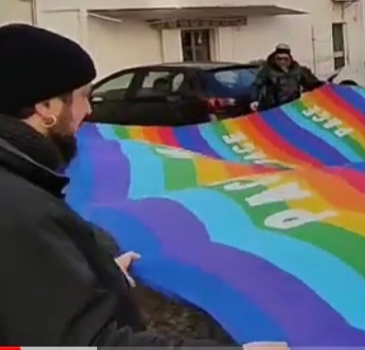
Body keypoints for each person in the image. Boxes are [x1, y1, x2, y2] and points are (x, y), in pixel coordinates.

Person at [0, 24, 285, 347]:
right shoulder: (20, 210)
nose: (89, 110)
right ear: (45, 107)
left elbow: (33, 293)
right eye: (83, 97)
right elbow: (85, 342)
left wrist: (100, 273)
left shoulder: (21, 183)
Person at [250, 44, 323, 111]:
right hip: (273, 108)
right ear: (275, 59)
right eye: (279, 59)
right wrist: (254, 100)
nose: (282, 62)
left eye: (285, 59)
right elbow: (257, 85)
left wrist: (325, 87)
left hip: (293, 106)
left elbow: (312, 84)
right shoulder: (267, 70)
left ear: (290, 59)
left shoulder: (298, 70)